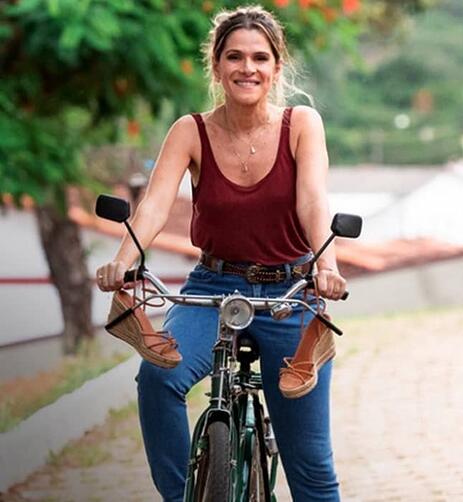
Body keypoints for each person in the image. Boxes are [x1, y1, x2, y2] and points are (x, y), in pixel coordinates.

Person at [96, 5, 345, 501]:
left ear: (276, 66)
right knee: (157, 379)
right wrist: (124, 260)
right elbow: (153, 207)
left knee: (311, 469)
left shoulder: (301, 124)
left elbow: (313, 199)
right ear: (216, 66)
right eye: (234, 57)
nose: (246, 68)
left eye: (259, 57)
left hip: (290, 293)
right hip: (213, 288)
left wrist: (326, 263)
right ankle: (179, 495)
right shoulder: (190, 131)